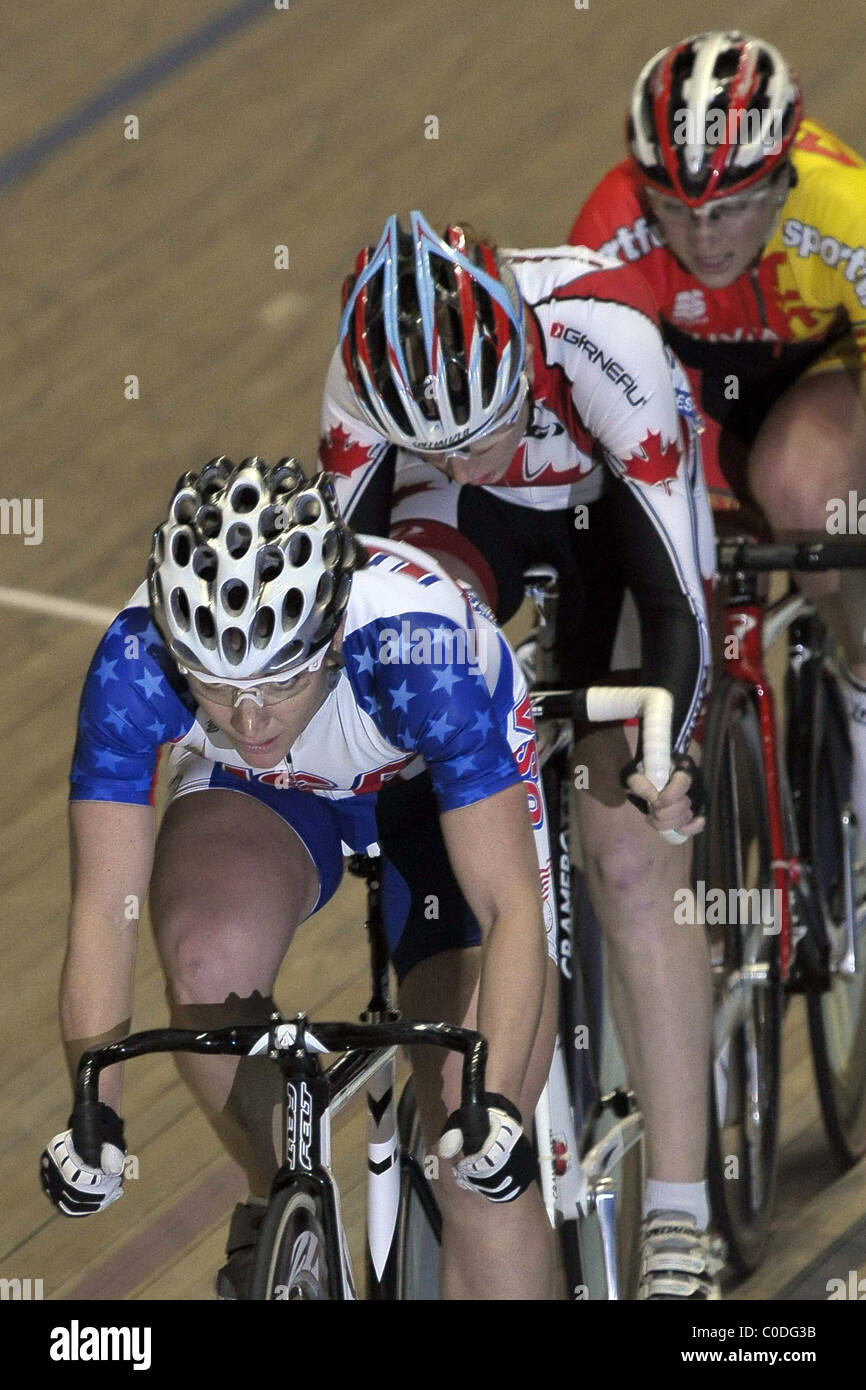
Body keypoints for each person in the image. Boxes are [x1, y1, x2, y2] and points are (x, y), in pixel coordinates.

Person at [319, 211, 725, 1297]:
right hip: (460, 540)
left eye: (482, 425)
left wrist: (659, 759)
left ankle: (681, 1204)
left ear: (519, 353)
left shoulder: (605, 341)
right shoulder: (365, 379)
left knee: (629, 847)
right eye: (437, 441)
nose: (466, 451)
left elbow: (675, 606)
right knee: (405, 704)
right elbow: (340, 618)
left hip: (611, 537)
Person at [40, 457, 560, 1301]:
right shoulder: (138, 660)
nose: (247, 718)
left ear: (328, 636)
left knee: (473, 1153)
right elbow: (105, 910)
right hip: (273, 799)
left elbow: (509, 909)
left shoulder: (415, 646)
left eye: (278, 681)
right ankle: (277, 1185)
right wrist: (95, 1117)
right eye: (216, 686)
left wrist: (493, 1108)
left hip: (436, 794)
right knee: (205, 960)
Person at [569, 28, 866, 840]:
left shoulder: (845, 208)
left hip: (822, 372)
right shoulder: (610, 224)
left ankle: (861, 674)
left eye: (732, 208)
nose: (703, 239)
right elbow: (574, 403)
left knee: (800, 487)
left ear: (783, 175)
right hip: (686, 386)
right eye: (677, 209)